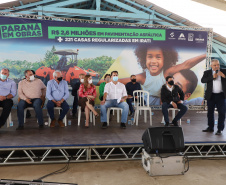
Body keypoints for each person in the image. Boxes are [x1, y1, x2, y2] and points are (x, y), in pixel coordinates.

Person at [119, 44, 206, 105]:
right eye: (150, 56)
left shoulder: (166, 73)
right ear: (144, 58)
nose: (153, 61)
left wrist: (205, 55)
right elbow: (121, 82)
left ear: (165, 59)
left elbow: (186, 64)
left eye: (158, 57)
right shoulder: (143, 77)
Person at [201, 59, 226, 135]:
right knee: (210, 112)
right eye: (215, 65)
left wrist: (224, 76)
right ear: (211, 66)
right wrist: (212, 77)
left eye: (218, 64)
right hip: (211, 95)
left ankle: (220, 129)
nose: (217, 66)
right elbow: (203, 80)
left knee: (221, 113)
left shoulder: (224, 71)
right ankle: (210, 127)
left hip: (221, 96)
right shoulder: (207, 72)